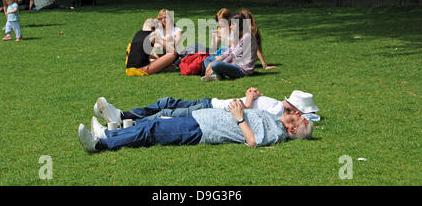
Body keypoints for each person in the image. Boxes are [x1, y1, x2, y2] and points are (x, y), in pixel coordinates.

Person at [78, 98, 313, 153]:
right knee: (157, 122)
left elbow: (252, 141)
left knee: (151, 131)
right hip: (202, 119)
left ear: (292, 129)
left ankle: (101, 145)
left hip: (202, 130)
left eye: (299, 118)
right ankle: (109, 133)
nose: (297, 114)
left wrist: (240, 116)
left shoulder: (276, 132)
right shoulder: (275, 120)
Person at [92, 88, 320, 126]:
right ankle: (123, 116)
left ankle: (124, 122)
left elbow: (250, 116)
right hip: (214, 103)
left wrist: (249, 98)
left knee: (167, 112)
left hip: (216, 110)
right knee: (167, 104)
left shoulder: (278, 112)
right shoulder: (278, 106)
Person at [202, 13, 257, 81]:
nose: (230, 27)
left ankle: (215, 73)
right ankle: (217, 74)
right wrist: (217, 60)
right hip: (234, 64)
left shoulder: (247, 37)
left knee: (215, 64)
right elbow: (229, 51)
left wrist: (215, 64)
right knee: (208, 59)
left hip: (242, 69)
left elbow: (232, 55)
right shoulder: (239, 35)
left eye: (232, 24)